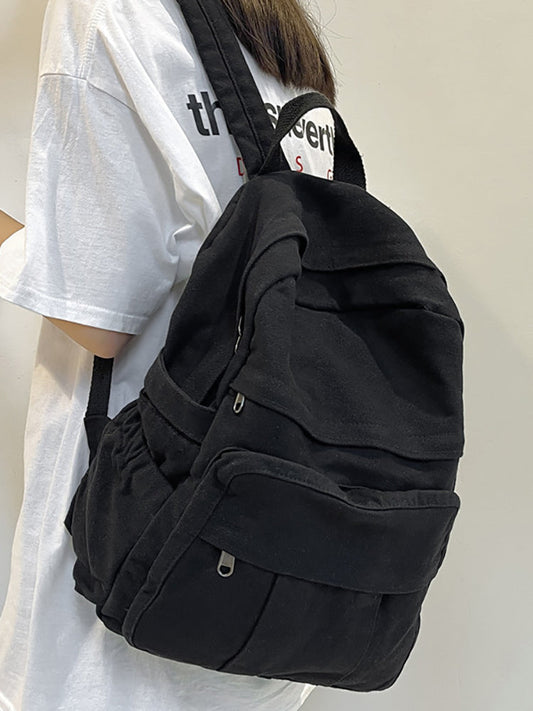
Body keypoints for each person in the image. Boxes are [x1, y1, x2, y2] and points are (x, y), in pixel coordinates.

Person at [0, 0, 338, 708]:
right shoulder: (276, 32)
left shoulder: (102, 10)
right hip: (265, 569)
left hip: (130, 569)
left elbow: (100, 318)